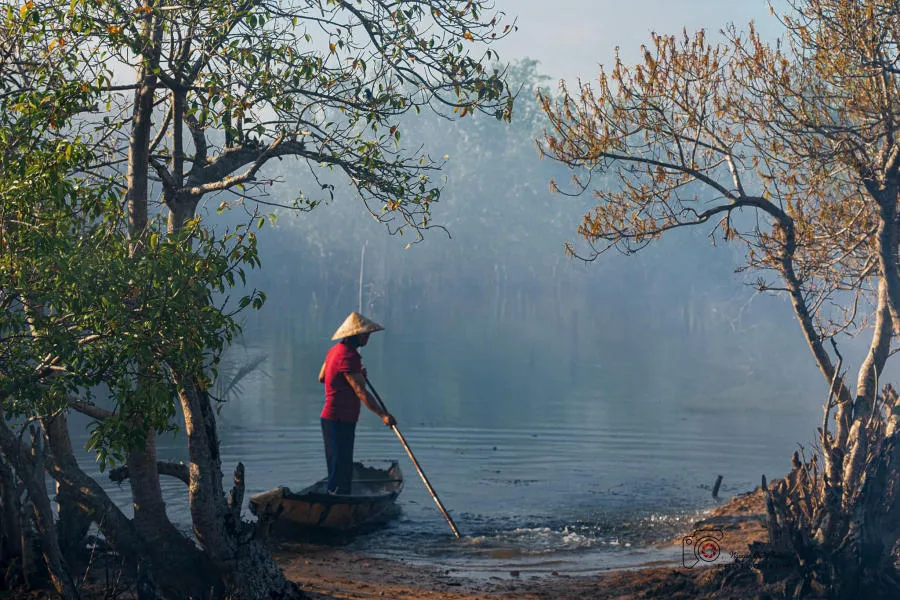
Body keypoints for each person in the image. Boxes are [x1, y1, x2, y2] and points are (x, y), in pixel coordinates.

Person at [317, 312, 396, 494]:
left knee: (337, 465)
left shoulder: (334, 351)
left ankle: (335, 499)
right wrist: (383, 415)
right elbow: (361, 392)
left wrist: (355, 375)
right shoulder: (348, 357)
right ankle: (337, 505)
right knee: (341, 469)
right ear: (355, 335)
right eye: (365, 333)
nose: (368, 336)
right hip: (339, 419)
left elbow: (322, 377)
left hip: (331, 418)